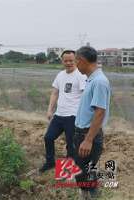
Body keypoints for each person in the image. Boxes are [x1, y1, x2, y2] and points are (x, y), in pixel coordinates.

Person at [39, 50, 87, 173]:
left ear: (76, 60)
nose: (68, 63)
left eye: (71, 60)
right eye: (66, 61)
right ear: (62, 61)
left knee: (71, 144)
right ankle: (50, 162)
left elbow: (85, 97)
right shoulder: (60, 75)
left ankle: (69, 168)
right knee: (48, 138)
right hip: (59, 115)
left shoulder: (80, 76)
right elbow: (55, 93)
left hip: (73, 116)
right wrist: (50, 110)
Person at [74, 46, 111, 199]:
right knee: (81, 171)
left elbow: (100, 112)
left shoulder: (99, 81)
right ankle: (85, 195)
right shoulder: (91, 79)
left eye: (76, 61)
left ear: (82, 60)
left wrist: (88, 140)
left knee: (88, 173)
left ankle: (92, 196)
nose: (76, 65)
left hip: (88, 135)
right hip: (82, 133)